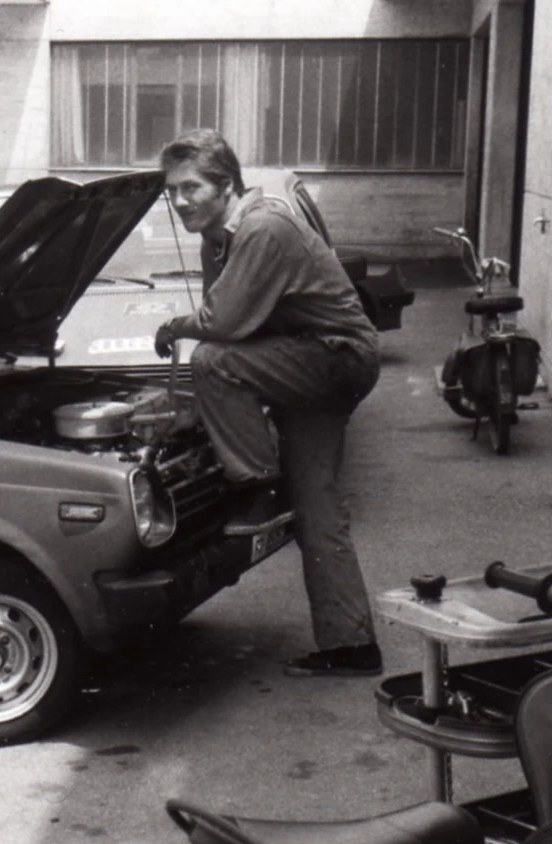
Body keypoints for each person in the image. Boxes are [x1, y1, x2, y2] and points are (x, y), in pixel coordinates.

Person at [153, 128, 384, 677]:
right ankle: (351, 646)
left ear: (227, 184)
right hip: (307, 363)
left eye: (191, 188)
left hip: (335, 357)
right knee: (318, 510)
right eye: (172, 192)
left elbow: (221, 325)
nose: (180, 201)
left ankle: (257, 484)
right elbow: (239, 325)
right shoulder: (219, 238)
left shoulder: (262, 228)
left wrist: (172, 327)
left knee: (211, 359)